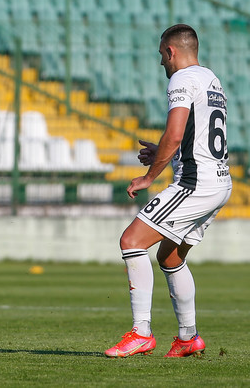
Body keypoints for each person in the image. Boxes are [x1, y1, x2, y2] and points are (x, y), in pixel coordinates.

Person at [104, 24, 231, 358]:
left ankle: (141, 332)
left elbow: (175, 133)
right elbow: (195, 138)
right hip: (219, 182)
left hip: (194, 183)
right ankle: (188, 337)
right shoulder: (210, 79)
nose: (161, 63)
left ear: (171, 51)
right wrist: (164, 153)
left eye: (162, 55)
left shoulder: (182, 79)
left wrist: (149, 176)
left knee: (131, 241)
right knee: (170, 257)